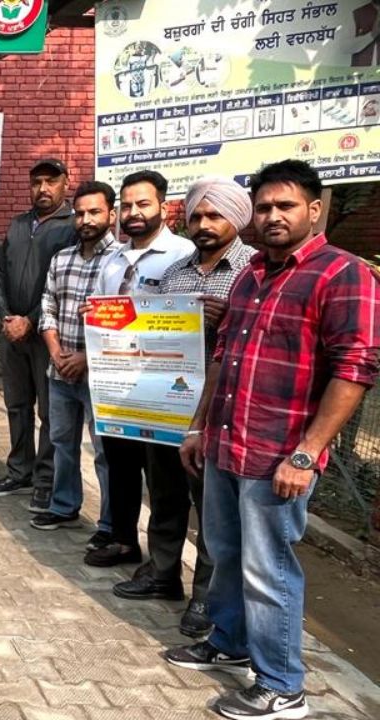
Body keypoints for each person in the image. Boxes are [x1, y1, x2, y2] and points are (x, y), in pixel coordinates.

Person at [167, 160, 379, 720]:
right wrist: (200, 426)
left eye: (285, 206)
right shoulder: (251, 274)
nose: (272, 216)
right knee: (225, 553)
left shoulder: (343, 274)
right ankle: (229, 641)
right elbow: (223, 356)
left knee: (269, 570)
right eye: (263, 207)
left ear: (315, 209)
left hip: (280, 456)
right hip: (227, 443)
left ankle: (282, 685)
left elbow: (355, 370)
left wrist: (306, 454)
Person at [121, 177, 255, 639]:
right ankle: (163, 571)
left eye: (214, 215)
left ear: (236, 218)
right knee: (164, 491)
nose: (204, 224)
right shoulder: (176, 271)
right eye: (197, 216)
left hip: (219, 404)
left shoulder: (252, 271)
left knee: (212, 506)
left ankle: (207, 595)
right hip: (169, 399)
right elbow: (154, 328)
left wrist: (229, 318)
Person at [83, 170, 194, 569]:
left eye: (143, 204)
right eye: (127, 205)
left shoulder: (183, 254)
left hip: (164, 384)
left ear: (164, 207)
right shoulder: (114, 260)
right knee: (121, 467)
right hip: (118, 383)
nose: (133, 213)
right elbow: (102, 308)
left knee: (164, 478)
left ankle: (164, 564)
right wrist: (94, 316)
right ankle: (123, 540)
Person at [29, 181, 117, 545]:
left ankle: (110, 524)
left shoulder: (122, 261)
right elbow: (47, 306)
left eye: (94, 212)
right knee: (61, 442)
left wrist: (87, 358)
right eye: (80, 213)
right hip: (60, 370)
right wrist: (55, 352)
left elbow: (127, 320)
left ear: (111, 214)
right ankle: (64, 506)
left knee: (105, 453)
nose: (86, 220)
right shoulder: (61, 258)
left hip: (102, 376)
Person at [0, 158, 76, 511]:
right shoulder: (18, 224)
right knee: (16, 405)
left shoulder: (72, 227)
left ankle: (45, 480)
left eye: (51, 181)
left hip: (48, 335)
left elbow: (62, 286)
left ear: (65, 184)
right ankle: (19, 470)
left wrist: (31, 320)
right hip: (13, 335)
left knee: (49, 412)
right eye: (37, 182)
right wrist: (7, 317)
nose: (43, 188)